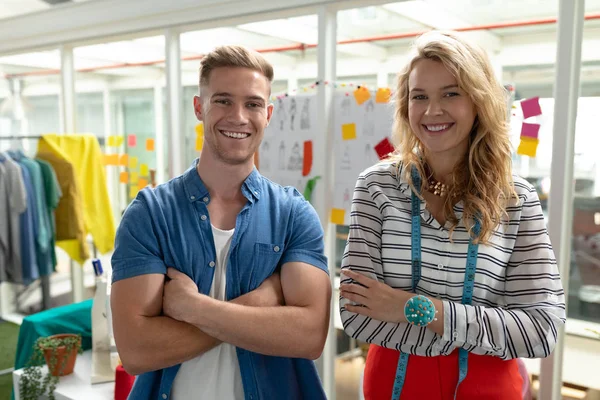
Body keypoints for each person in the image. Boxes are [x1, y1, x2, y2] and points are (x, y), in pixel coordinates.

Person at [339, 31, 565, 400]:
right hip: (392, 387)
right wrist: (481, 329)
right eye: (419, 97)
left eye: (451, 93)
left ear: (479, 101)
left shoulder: (516, 198)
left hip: (487, 389)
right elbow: (356, 314)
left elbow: (542, 329)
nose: (432, 111)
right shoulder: (376, 187)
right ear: (404, 106)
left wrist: (413, 308)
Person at [110, 45, 331, 400]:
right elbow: (136, 351)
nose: (239, 117)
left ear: (268, 114)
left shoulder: (292, 214)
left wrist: (194, 308)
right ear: (199, 107)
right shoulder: (150, 213)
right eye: (223, 101)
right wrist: (261, 303)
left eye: (253, 104)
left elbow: (308, 338)